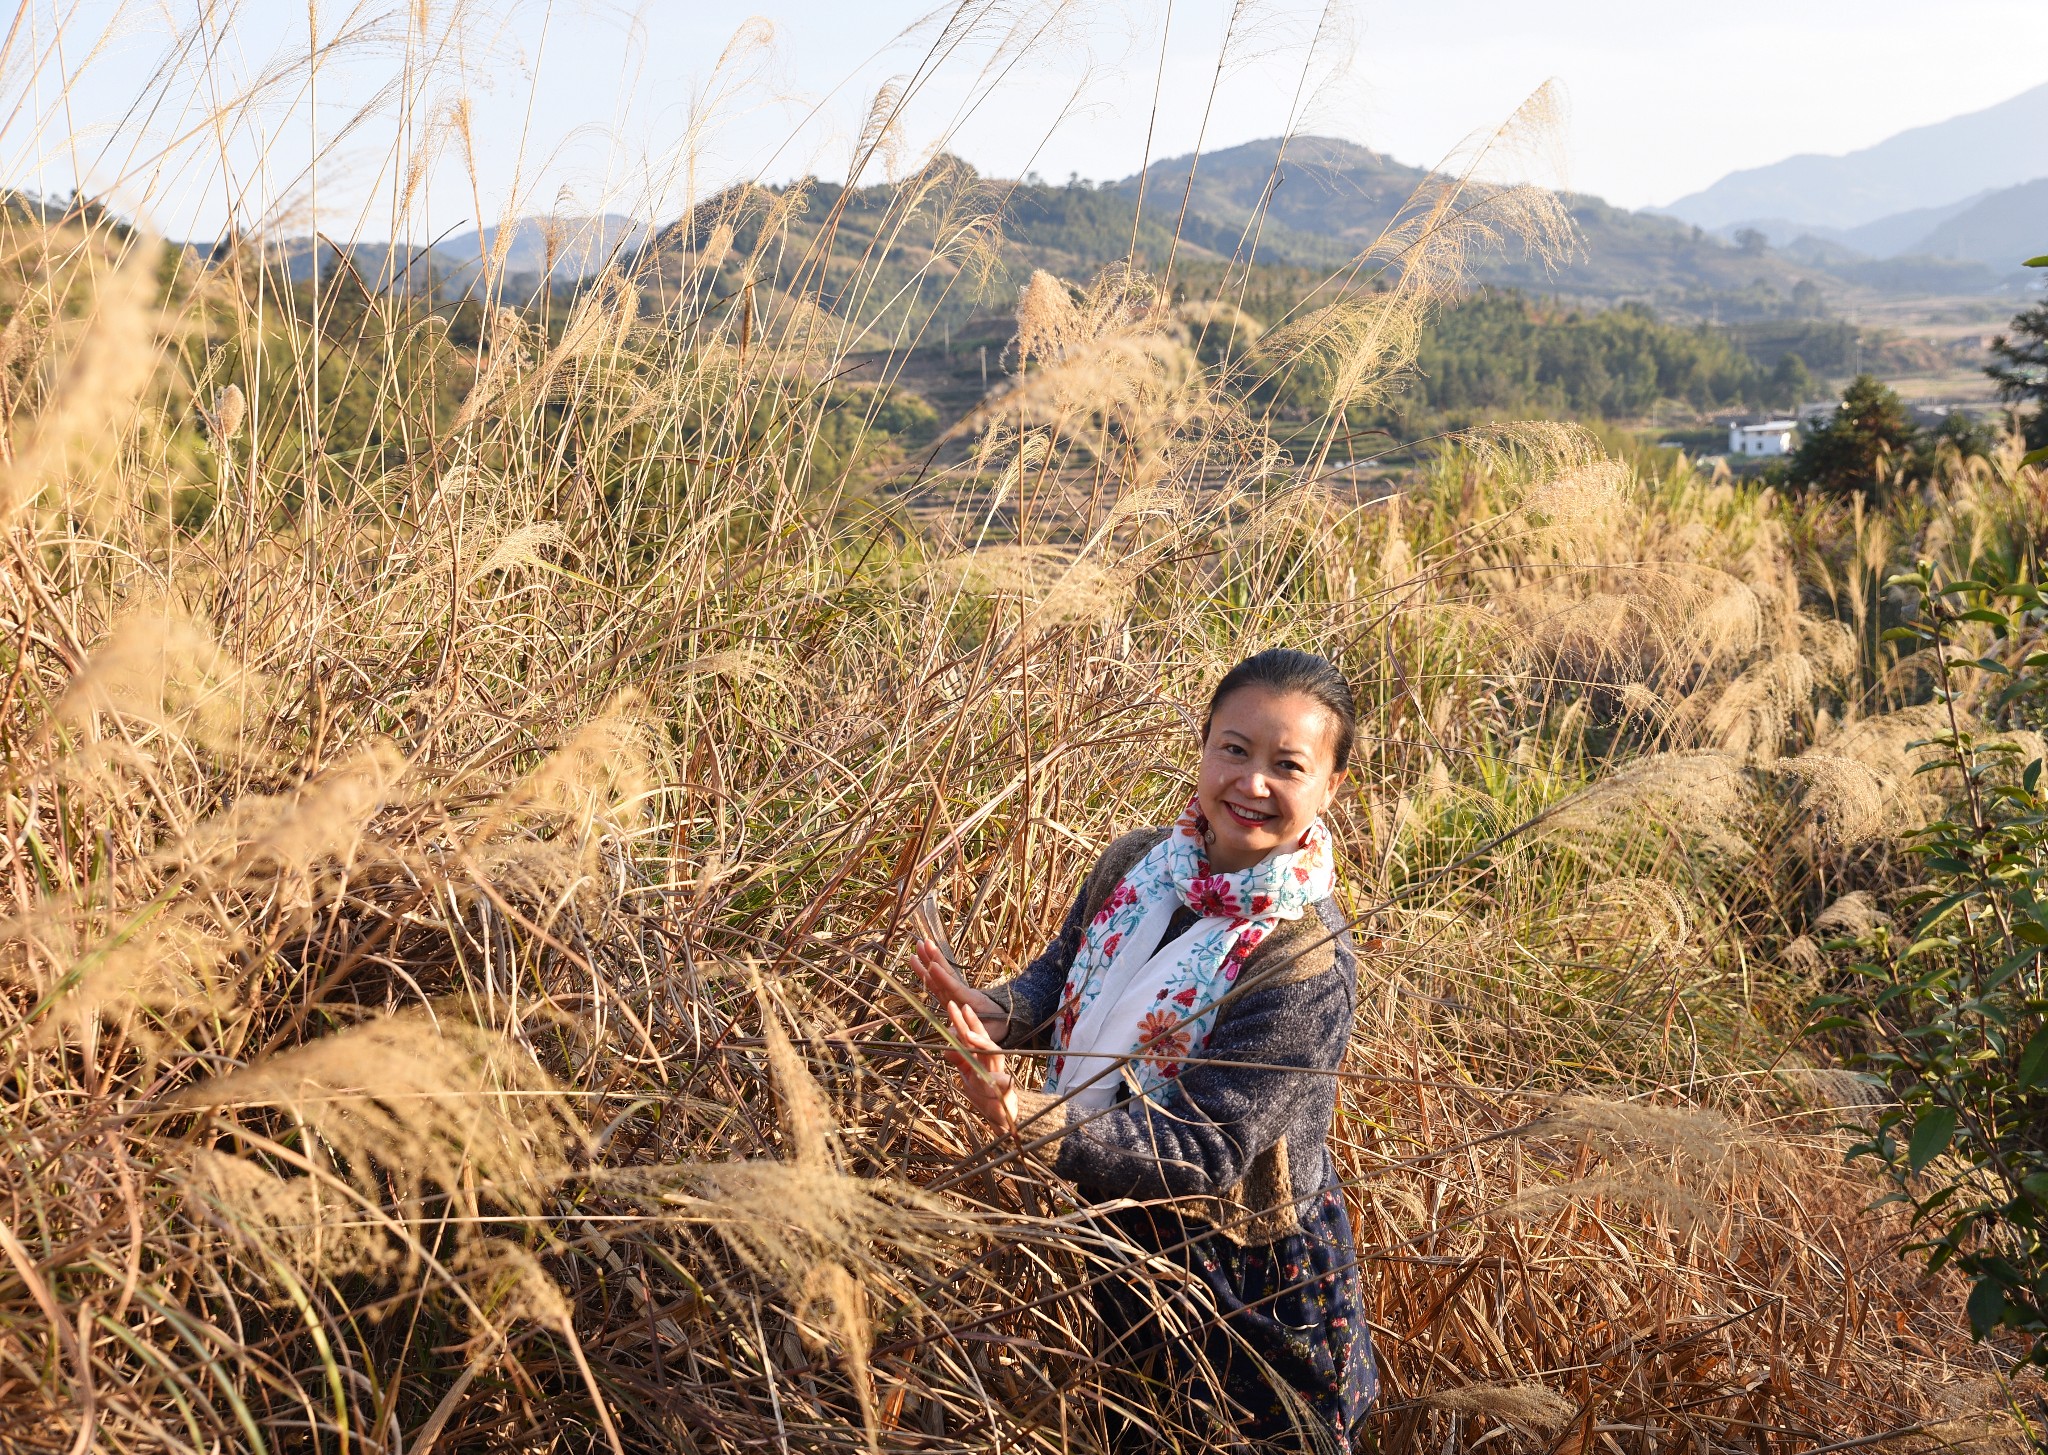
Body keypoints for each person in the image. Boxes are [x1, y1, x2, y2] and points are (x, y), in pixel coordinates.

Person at [913, 648, 1377, 1452]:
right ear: (1202, 747)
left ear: (1330, 786)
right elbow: (1064, 975)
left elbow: (1208, 1148)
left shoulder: (1305, 961)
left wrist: (1032, 1119)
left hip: (1244, 1275)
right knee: (1136, 1426)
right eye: (1234, 748)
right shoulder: (1139, 864)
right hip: (1120, 1230)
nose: (1252, 782)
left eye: (1287, 764)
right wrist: (992, 1010)